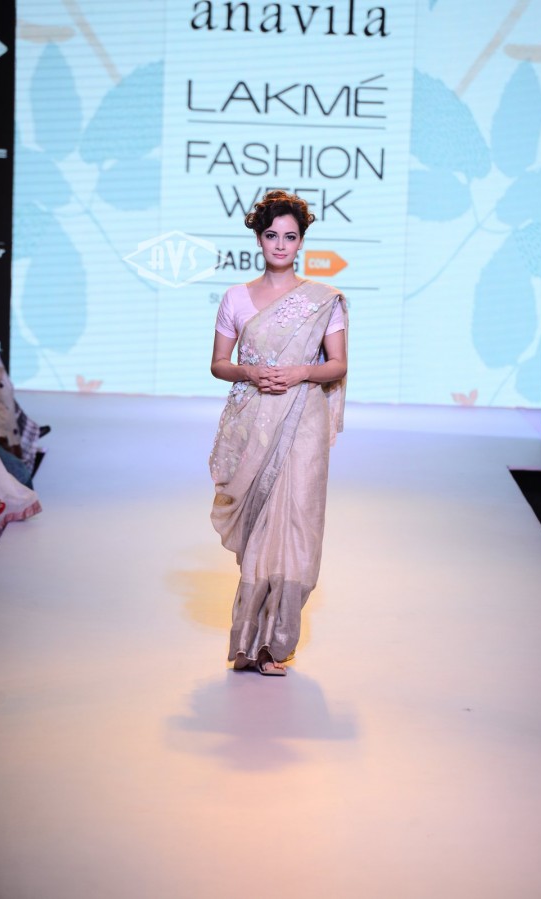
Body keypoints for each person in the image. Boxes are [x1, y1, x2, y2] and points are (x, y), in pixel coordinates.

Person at [209, 190, 348, 676]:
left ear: (302, 241)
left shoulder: (322, 300)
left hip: (303, 420)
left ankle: (275, 644)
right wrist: (249, 372)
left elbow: (337, 364)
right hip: (254, 421)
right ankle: (248, 644)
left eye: (290, 236)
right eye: (272, 235)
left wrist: (299, 373)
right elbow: (219, 363)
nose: (281, 245)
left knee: (297, 527)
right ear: (259, 239)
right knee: (259, 532)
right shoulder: (236, 297)